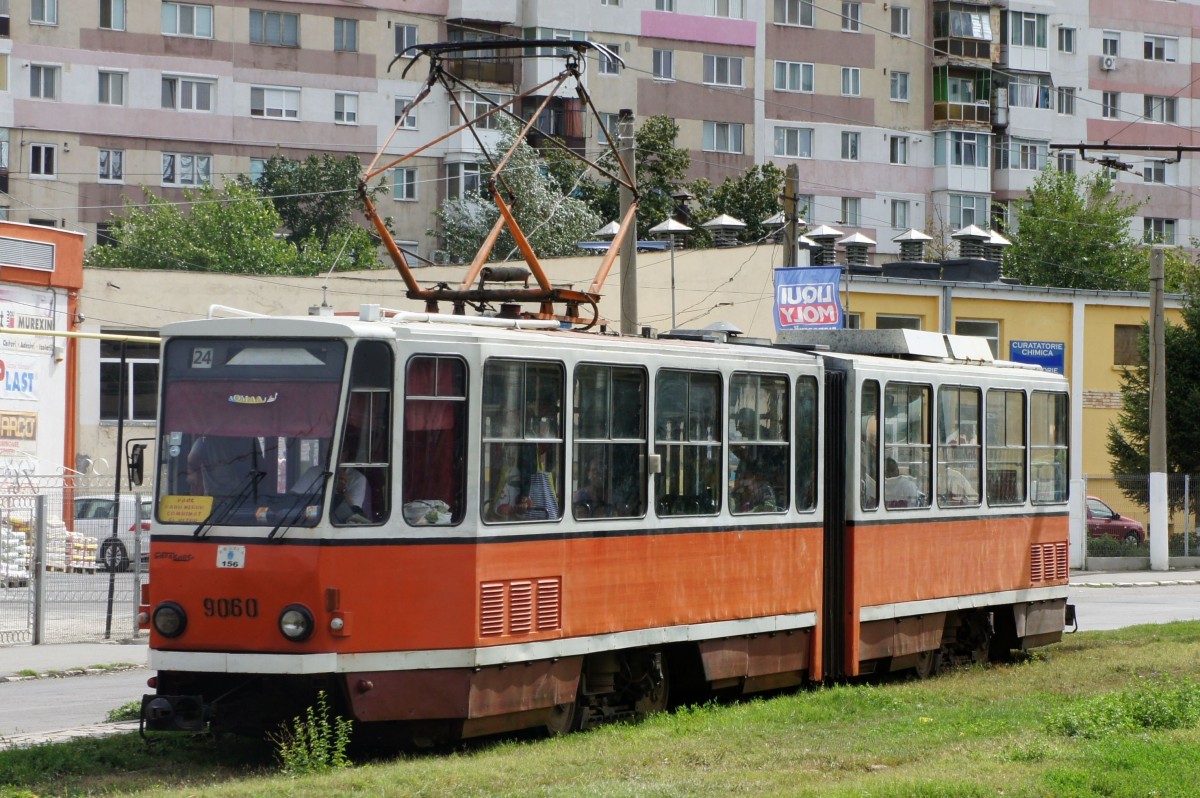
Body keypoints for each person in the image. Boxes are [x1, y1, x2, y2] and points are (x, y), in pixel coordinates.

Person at [187, 436, 258, 496]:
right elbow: (189, 465)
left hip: (245, 499)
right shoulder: (205, 441)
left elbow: (263, 469)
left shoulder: (251, 440)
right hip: (216, 503)